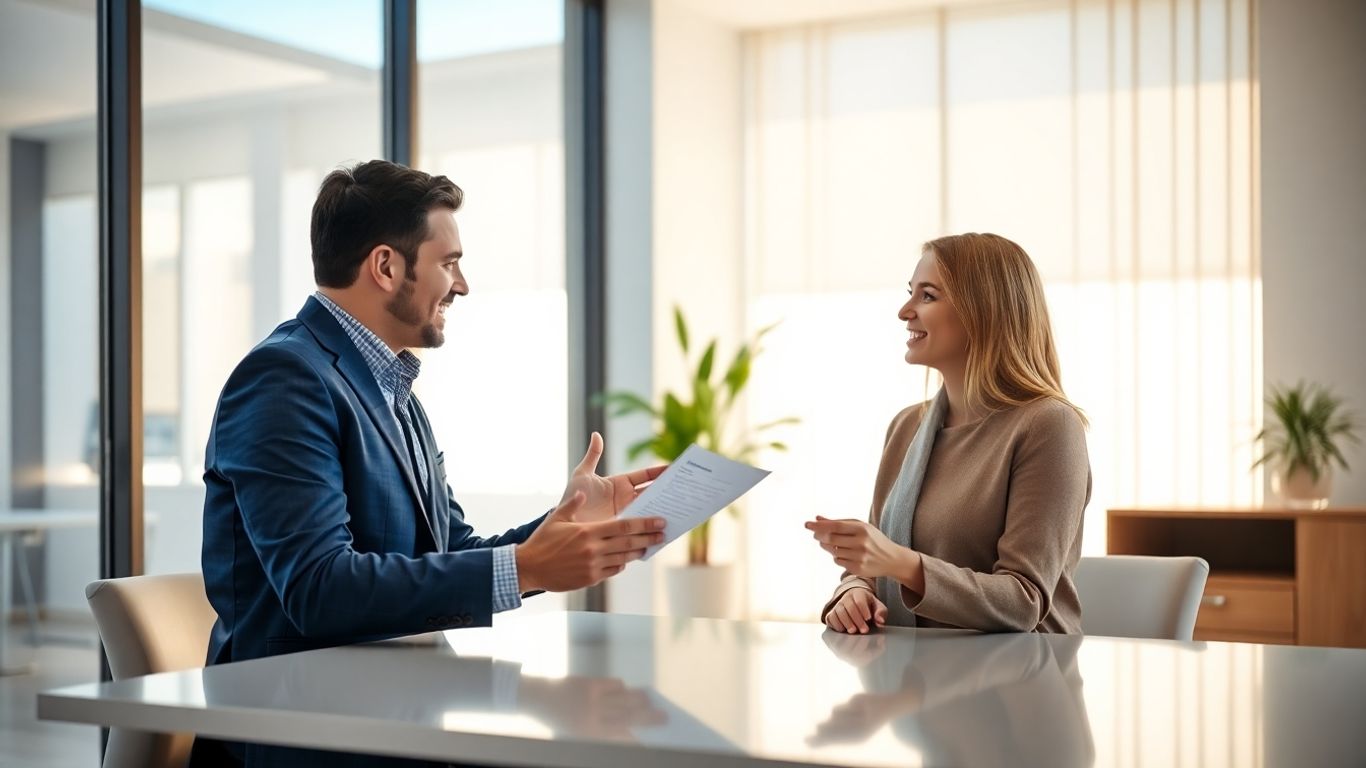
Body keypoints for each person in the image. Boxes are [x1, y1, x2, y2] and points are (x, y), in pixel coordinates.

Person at [194, 160, 665, 767]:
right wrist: (522, 567)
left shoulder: (394, 391)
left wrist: (563, 527)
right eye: (449, 262)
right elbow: (319, 589)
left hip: (392, 713)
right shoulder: (285, 378)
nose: (462, 285)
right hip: (300, 735)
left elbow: (446, 547)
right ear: (387, 266)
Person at [806, 232, 1090, 634]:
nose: (905, 311)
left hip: (1022, 683)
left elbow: (1024, 601)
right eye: (911, 293)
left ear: (984, 311)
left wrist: (900, 564)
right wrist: (853, 592)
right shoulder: (907, 427)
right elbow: (875, 567)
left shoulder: (1049, 426)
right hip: (919, 677)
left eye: (927, 296)